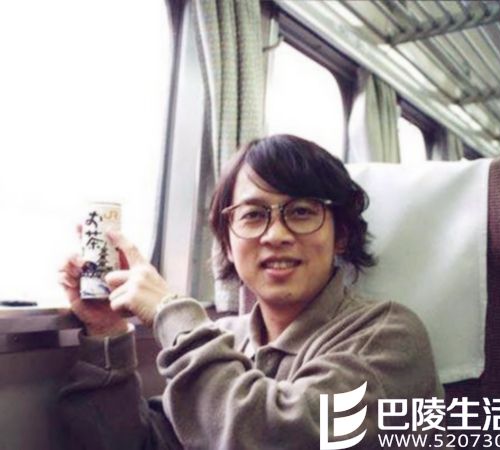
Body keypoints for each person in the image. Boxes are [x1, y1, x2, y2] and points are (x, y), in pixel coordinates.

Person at [58, 134, 444, 449]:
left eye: (301, 212)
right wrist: (106, 332)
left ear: (340, 234)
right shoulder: (225, 338)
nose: (275, 235)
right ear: (228, 244)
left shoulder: (390, 337)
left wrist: (170, 311)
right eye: (254, 215)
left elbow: (276, 437)